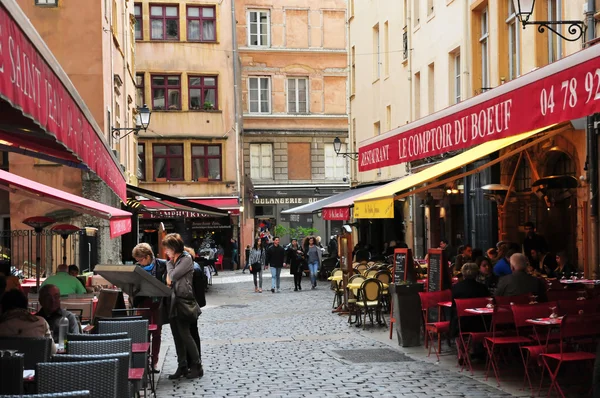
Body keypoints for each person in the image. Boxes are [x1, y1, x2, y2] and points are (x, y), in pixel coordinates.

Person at [163, 233, 202, 380]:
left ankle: (197, 365)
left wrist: (168, 264)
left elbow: (172, 277)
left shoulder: (185, 259)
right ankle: (182, 366)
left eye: (167, 248)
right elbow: (168, 280)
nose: (166, 252)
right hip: (173, 301)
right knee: (177, 336)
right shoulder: (176, 260)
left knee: (185, 335)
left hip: (183, 301)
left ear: (174, 248)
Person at [132, 243, 167, 373]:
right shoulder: (136, 269)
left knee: (157, 333)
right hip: (143, 302)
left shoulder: (162, 265)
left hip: (157, 303)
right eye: (138, 261)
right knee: (143, 332)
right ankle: (144, 361)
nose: (140, 263)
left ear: (148, 256)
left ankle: (154, 362)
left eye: (141, 260)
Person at [0, 290, 57, 354]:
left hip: (7, 363)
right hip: (36, 363)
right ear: (26, 305)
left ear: (3, 307)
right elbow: (52, 351)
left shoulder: (2, 325)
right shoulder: (40, 322)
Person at [450, 263, 490, 339]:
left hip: (462, 324)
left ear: (463, 274)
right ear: (476, 274)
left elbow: (453, 306)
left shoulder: (456, 287)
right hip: (481, 323)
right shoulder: (482, 288)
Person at [184, 246, 204, 369]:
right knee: (193, 332)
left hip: (190, 306)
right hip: (193, 306)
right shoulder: (195, 267)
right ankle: (193, 360)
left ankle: (193, 361)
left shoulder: (193, 269)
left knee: (190, 333)